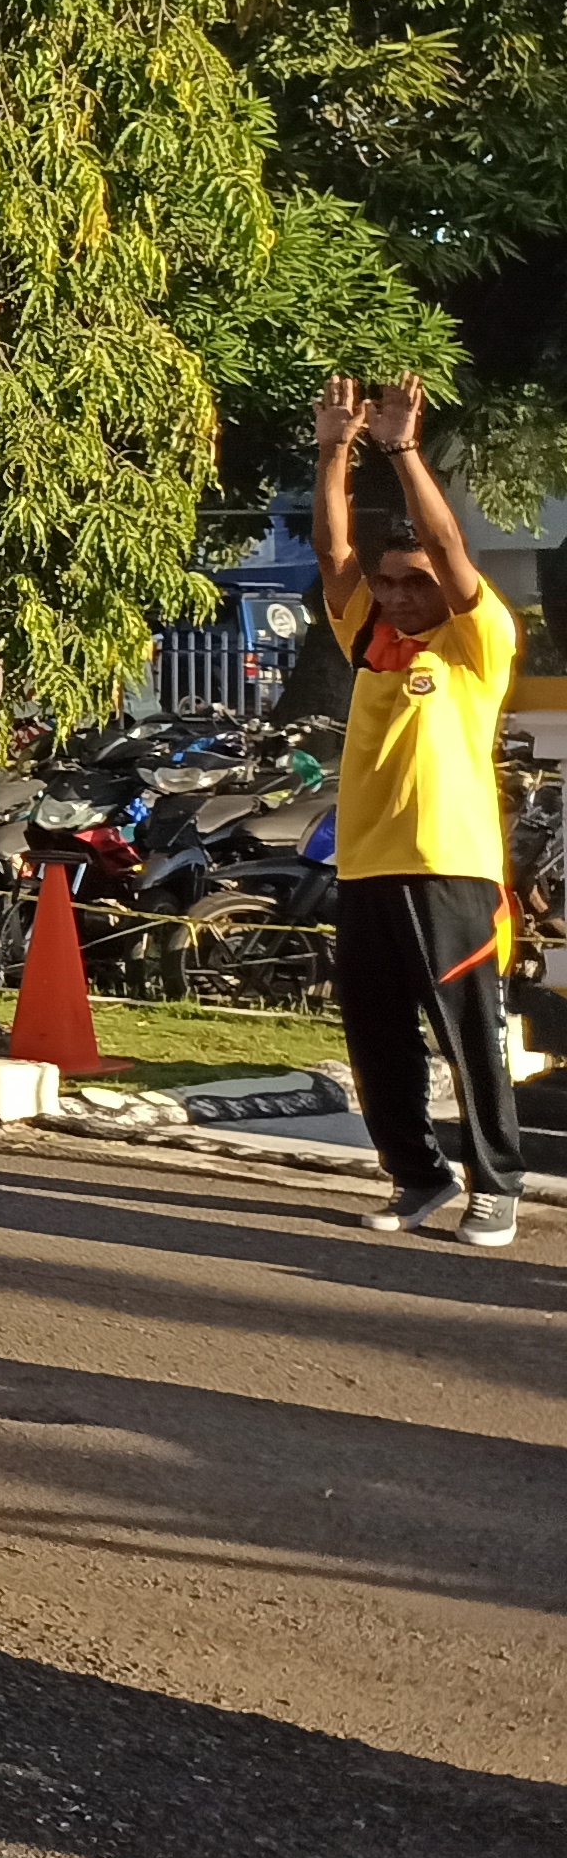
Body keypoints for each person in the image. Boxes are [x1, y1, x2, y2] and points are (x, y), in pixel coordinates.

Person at [317, 372, 529, 1249]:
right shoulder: (371, 641)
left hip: (451, 868)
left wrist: (401, 451)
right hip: (366, 867)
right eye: (390, 582)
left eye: (415, 581)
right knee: (377, 1038)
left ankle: (498, 1182)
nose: (400, 594)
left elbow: (447, 546)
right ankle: (418, 1176)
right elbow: (335, 558)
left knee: (466, 1034)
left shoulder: (478, 643)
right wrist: (334, 453)